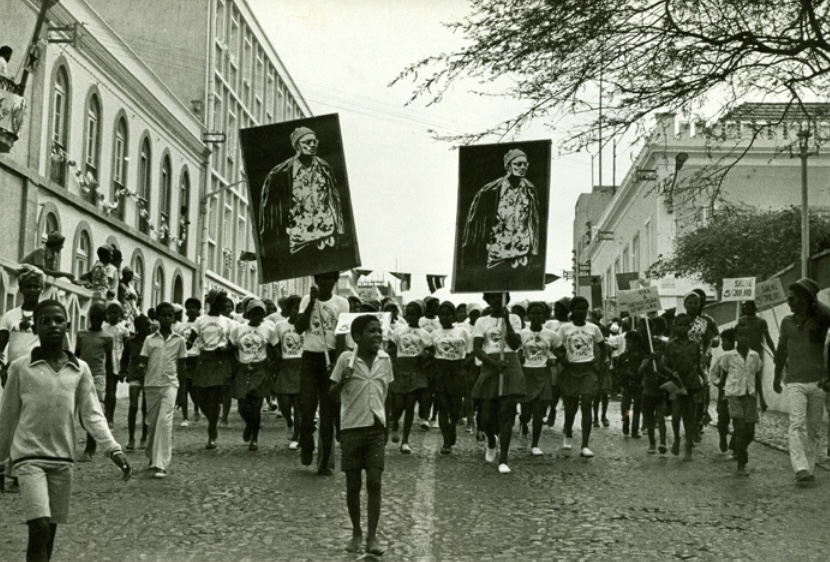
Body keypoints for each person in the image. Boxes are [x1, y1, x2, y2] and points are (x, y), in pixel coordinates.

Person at [0, 299, 132, 562]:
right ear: (35, 326)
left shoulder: (79, 369)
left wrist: (113, 449)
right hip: (29, 458)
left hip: (62, 460)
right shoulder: (20, 368)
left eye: (58, 320)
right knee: (38, 525)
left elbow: (92, 413)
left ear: (68, 325)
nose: (52, 325)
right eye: (45, 320)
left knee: (49, 530)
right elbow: (8, 417)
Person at [329, 315, 392, 557]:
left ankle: (372, 536)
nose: (378, 335)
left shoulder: (385, 360)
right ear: (357, 337)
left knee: (375, 482)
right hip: (351, 429)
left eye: (379, 331)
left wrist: (389, 424)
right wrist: (342, 380)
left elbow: (388, 392)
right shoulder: (346, 359)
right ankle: (356, 531)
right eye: (371, 331)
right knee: (353, 485)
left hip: (376, 428)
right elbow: (331, 395)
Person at [773, 277, 830, 484]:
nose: (789, 302)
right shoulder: (787, 322)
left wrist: (813, 299)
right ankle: (801, 469)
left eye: (794, 298)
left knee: (814, 428)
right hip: (795, 380)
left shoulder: (820, 321)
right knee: (797, 424)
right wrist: (775, 375)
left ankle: (810, 469)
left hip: (818, 382)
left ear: (805, 299)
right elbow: (781, 350)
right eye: (788, 299)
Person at [258, 127, 345, 261]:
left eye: (315, 142)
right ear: (297, 146)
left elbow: (335, 200)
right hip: (299, 241)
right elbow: (270, 213)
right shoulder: (280, 173)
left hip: (327, 238)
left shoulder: (325, 168)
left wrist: (339, 231)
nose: (313, 145)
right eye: (308, 142)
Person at [460, 149, 541, 290]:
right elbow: (474, 224)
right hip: (498, 255)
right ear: (508, 166)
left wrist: (534, 251)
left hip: (522, 256)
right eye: (518, 164)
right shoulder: (489, 191)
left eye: (525, 164)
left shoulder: (530, 190)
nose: (523, 167)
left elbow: (534, 221)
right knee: (495, 290)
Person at [294, 271, 350, 474]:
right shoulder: (307, 300)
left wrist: (338, 363)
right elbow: (299, 328)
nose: (326, 283)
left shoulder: (342, 303)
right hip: (310, 357)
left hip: (331, 359)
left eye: (330, 279)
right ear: (316, 281)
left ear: (335, 281)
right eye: (322, 279)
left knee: (328, 411)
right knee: (307, 407)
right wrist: (311, 302)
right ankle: (306, 440)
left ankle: (324, 461)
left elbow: (342, 334)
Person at [0, 265, 48, 494]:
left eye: (36, 286)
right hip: (13, 374)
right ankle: (4, 470)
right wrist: (2, 369)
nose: (32, 290)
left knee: (31, 426)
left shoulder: (48, 316)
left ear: (42, 288)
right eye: (27, 286)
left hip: (38, 374)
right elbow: (1, 345)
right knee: (9, 423)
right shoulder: (10, 316)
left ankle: (22, 474)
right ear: (20, 288)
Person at [471, 292, 525, 474]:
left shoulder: (515, 318)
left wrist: (507, 321)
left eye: (499, 298)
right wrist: (493, 364)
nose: (495, 301)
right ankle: (491, 441)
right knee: (486, 417)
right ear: (487, 300)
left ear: (506, 300)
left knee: (506, 412)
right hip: (490, 365)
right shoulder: (481, 321)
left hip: (510, 364)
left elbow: (516, 344)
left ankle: (504, 458)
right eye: (492, 298)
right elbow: (477, 349)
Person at [136, 302, 186, 479]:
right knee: (152, 423)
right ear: (157, 317)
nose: (167, 318)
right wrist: (141, 370)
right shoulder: (150, 340)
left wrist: (182, 392)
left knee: (165, 422)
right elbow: (143, 360)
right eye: (164, 315)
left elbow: (182, 366)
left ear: (174, 318)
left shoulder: (179, 340)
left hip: (170, 385)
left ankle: (161, 464)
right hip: (151, 385)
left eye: (170, 315)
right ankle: (151, 456)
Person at [555, 296, 605, 458]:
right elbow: (556, 346)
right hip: (570, 370)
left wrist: (599, 362)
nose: (581, 312)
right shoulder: (564, 328)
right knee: (570, 407)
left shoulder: (593, 328)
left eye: (584, 308)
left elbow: (602, 346)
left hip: (588, 370)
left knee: (586, 403)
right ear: (572, 310)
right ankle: (568, 432)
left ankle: (585, 444)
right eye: (578, 308)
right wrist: (564, 360)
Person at [229, 299, 279, 451]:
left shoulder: (269, 330)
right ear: (248, 314)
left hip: (260, 369)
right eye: (254, 312)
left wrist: (273, 364)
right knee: (242, 406)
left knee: (256, 405)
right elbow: (231, 347)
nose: (257, 315)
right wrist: (235, 363)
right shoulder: (238, 329)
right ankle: (249, 425)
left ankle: (255, 438)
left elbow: (276, 348)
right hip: (243, 369)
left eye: (260, 313)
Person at [188, 289, 234, 449]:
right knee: (199, 395)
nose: (224, 305)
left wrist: (226, 349)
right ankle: (212, 418)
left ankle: (212, 431)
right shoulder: (200, 321)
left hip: (220, 361)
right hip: (204, 359)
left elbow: (234, 344)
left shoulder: (228, 322)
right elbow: (190, 340)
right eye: (221, 302)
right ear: (214, 303)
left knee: (213, 397)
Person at [717, 321, 762, 476]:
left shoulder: (754, 356)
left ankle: (738, 448)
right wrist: (722, 396)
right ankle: (741, 463)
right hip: (733, 396)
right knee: (740, 428)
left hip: (749, 396)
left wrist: (761, 399)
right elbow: (723, 377)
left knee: (750, 432)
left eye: (747, 335)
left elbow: (757, 378)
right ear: (736, 336)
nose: (744, 338)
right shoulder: (729, 356)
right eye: (740, 335)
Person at [388, 301, 433, 454]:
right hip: (400, 370)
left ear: (420, 315)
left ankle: (405, 440)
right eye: (409, 312)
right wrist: (392, 365)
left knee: (410, 404)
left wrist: (425, 355)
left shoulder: (425, 335)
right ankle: (394, 423)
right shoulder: (399, 331)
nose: (411, 316)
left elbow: (430, 352)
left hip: (415, 371)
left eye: (415, 313)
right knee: (398, 404)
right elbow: (391, 349)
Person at [430, 301, 472, 455]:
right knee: (442, 406)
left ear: (454, 316)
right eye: (441, 314)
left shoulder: (463, 332)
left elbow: (471, 352)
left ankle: (452, 426)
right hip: (441, 372)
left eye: (448, 314)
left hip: (457, 371)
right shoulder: (434, 334)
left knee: (455, 408)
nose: (444, 317)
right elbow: (430, 352)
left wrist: (463, 368)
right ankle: (446, 441)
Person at [518, 302, 560, 456]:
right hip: (526, 373)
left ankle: (535, 443)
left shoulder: (551, 335)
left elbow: (559, 351)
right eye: (533, 313)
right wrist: (519, 356)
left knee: (538, 411)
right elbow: (515, 350)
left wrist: (553, 359)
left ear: (544, 316)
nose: (536, 316)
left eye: (539, 313)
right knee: (525, 410)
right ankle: (523, 422)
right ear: (528, 316)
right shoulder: (522, 334)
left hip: (543, 373)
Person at [74, 303, 114, 462]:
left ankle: (90, 448)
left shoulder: (107, 337)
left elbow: (109, 362)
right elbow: (76, 356)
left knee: (93, 411)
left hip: (98, 376)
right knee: (81, 414)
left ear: (104, 319)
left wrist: (111, 385)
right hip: (81, 375)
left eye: (99, 318)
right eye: (93, 318)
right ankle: (91, 437)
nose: (96, 321)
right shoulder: (81, 335)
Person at [662, 313, 703, 461]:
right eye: (679, 325)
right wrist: (670, 372)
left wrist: (703, 379)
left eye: (685, 325)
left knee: (689, 417)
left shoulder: (695, 345)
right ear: (675, 326)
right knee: (676, 415)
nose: (682, 328)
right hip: (676, 384)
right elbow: (664, 365)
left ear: (689, 327)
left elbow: (697, 365)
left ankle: (688, 448)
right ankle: (677, 439)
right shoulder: (670, 345)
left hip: (692, 384)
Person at [682, 290, 719, 440]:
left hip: (701, 362)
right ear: (685, 304)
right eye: (690, 303)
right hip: (683, 361)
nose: (693, 306)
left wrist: (716, 340)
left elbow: (716, 335)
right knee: (684, 395)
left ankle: (697, 423)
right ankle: (688, 425)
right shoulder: (681, 320)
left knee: (702, 394)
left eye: (696, 303)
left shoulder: (707, 321)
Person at [274, 295, 303, 449]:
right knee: (284, 402)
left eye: (300, 308)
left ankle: (296, 437)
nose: (298, 311)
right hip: (286, 366)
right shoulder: (280, 326)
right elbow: (275, 344)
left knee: (299, 405)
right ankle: (289, 421)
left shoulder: (307, 326)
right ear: (289, 309)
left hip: (302, 366)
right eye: (295, 308)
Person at [738, 300, 776, 412]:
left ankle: (762, 400)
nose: (748, 309)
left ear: (755, 308)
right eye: (745, 307)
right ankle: (745, 400)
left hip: (757, 352)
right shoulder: (741, 320)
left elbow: (768, 338)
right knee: (743, 376)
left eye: (750, 307)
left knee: (756, 376)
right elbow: (738, 335)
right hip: (743, 352)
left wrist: (775, 353)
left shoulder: (761, 322)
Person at [121, 315, 152, 451]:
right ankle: (131, 438)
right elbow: (124, 358)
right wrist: (123, 371)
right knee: (133, 405)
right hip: (134, 374)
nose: (149, 328)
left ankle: (144, 437)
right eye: (146, 325)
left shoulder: (151, 341)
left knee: (146, 408)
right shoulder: (130, 342)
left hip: (148, 376)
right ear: (139, 327)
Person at [175, 297, 202, 426]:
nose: (191, 310)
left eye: (194, 307)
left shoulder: (200, 324)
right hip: (185, 359)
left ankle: (197, 408)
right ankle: (185, 417)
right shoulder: (181, 327)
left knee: (195, 389)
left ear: (198, 310)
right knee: (183, 388)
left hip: (197, 358)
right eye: (189, 307)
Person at [102, 302, 130, 427]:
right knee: (104, 390)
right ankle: (104, 414)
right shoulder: (103, 328)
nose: (113, 316)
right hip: (103, 359)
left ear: (120, 315)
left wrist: (124, 367)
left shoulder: (123, 330)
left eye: (116, 313)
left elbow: (127, 347)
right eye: (111, 313)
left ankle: (110, 416)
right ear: (107, 315)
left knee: (111, 391)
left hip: (116, 360)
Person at [709, 328, 736, 455]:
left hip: (736, 395)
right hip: (724, 395)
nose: (723, 344)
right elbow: (713, 374)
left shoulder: (740, 357)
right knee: (723, 419)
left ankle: (736, 444)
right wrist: (719, 383)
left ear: (732, 341)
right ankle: (723, 437)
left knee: (738, 420)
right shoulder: (720, 359)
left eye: (725, 341)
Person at [640, 334, 668, 455]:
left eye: (660, 350)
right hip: (648, 393)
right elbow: (640, 371)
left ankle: (663, 442)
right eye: (655, 349)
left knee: (661, 419)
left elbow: (668, 376)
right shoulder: (647, 360)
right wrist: (650, 360)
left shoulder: (664, 362)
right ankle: (652, 443)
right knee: (650, 421)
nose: (657, 352)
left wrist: (660, 376)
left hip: (661, 394)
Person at [617, 330, 645, 439]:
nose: (627, 344)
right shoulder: (623, 357)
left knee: (637, 407)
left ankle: (635, 429)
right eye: (627, 342)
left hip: (639, 385)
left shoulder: (643, 357)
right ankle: (626, 420)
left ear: (636, 343)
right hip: (627, 385)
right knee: (625, 407)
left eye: (630, 342)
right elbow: (618, 370)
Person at [117, 266, 140, 331]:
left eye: (131, 274)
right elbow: (121, 297)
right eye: (129, 274)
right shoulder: (121, 285)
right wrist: (129, 296)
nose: (130, 276)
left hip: (131, 309)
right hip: (124, 309)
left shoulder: (130, 286)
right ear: (124, 274)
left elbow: (135, 297)